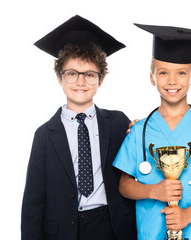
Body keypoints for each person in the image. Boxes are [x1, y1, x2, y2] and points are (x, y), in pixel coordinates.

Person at [112, 24, 191, 240]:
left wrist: (188, 214)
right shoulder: (139, 131)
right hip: (149, 233)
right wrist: (153, 191)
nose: (172, 81)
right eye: (163, 73)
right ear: (152, 78)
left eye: (181, 73)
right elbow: (124, 185)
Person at [21, 15, 137, 240]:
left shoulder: (118, 122)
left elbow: (140, 162)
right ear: (59, 77)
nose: (81, 82)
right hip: (64, 231)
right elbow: (33, 202)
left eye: (90, 75)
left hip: (112, 226)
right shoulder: (44, 135)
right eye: (72, 74)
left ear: (100, 80)